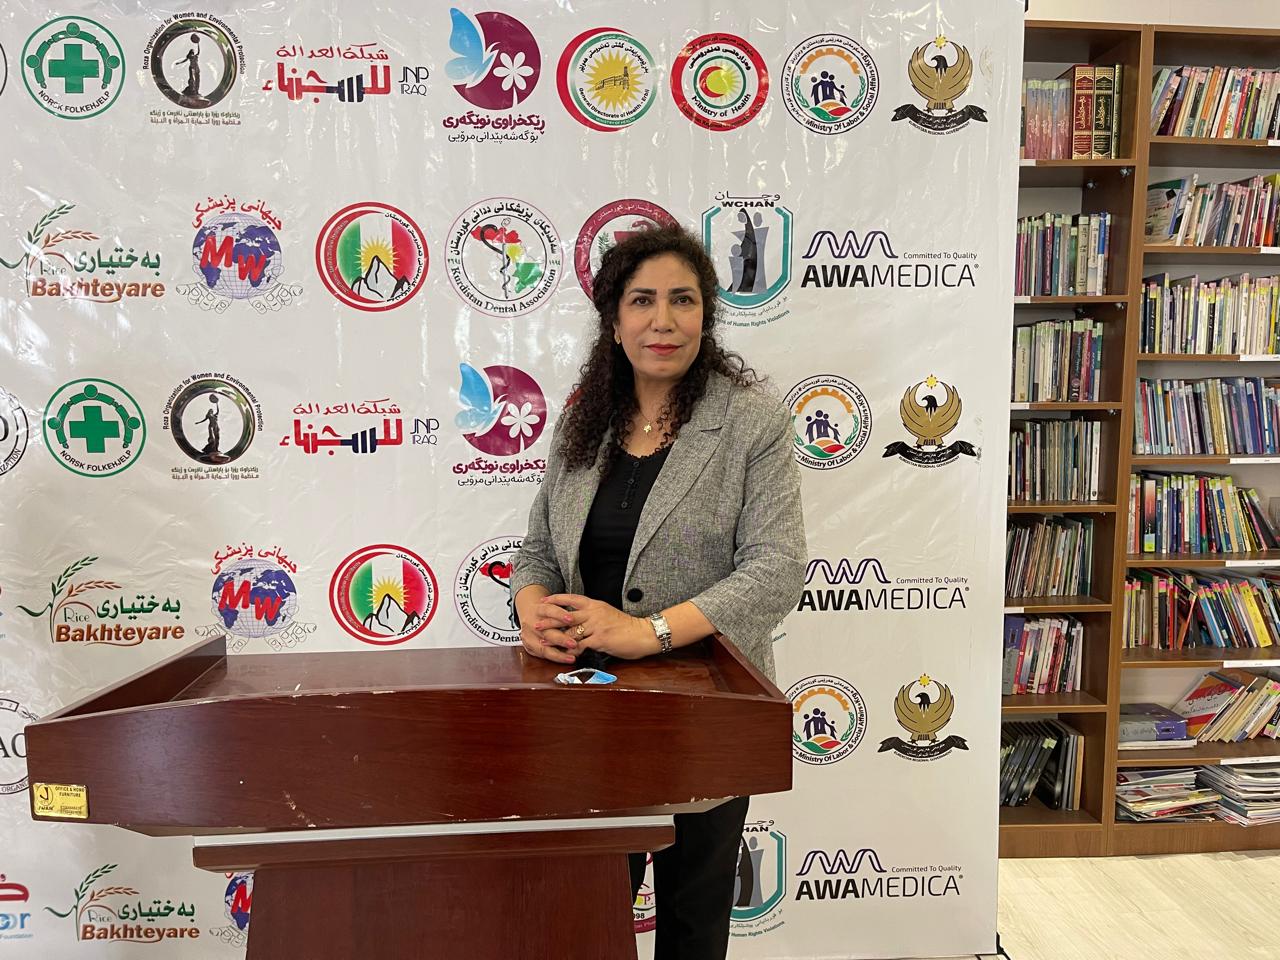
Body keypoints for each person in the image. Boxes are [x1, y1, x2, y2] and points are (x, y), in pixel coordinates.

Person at [511, 225, 805, 959]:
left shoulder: (752, 421)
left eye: (683, 300)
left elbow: (776, 568)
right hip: (588, 708)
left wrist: (649, 632)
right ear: (614, 322)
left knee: (692, 923)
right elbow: (539, 550)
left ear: (706, 316)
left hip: (707, 712)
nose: (663, 320)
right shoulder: (585, 421)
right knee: (586, 914)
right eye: (642, 301)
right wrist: (530, 608)